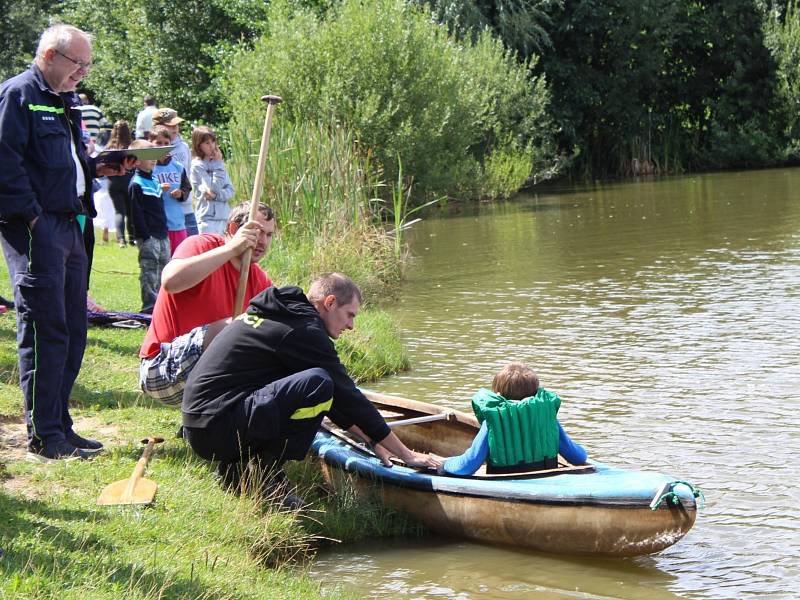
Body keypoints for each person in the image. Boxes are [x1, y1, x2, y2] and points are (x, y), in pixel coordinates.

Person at [181, 272, 443, 505]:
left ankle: (235, 471)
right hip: (216, 429)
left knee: (318, 384)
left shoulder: (285, 314)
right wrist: (407, 455)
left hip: (207, 426)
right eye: (349, 315)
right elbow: (346, 395)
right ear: (329, 303)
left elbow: (338, 401)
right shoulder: (303, 330)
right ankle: (264, 475)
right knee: (317, 383)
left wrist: (373, 439)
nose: (351, 326)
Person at [0, 24, 131, 461]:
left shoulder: (66, 100)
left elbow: (71, 162)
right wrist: (34, 218)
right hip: (37, 228)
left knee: (75, 328)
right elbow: (6, 164)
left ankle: (61, 425)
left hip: (74, 223)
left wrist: (105, 167)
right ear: (50, 55)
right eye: (79, 63)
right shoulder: (18, 95)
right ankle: (43, 435)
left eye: (88, 65)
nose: (83, 73)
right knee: (44, 327)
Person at [139, 201, 275, 406]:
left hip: (211, 378)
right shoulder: (200, 245)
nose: (263, 241)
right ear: (232, 229)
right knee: (233, 328)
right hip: (162, 369)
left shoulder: (259, 281)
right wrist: (231, 249)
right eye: (257, 231)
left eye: (269, 234)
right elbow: (170, 281)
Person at [443, 363, 587, 475]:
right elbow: (578, 457)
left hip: (506, 481)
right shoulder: (547, 418)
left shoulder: (494, 420)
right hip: (547, 477)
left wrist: (445, 464)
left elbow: (468, 465)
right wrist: (584, 451)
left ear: (498, 395)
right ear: (535, 393)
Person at [127, 139, 170, 314]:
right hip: (149, 236)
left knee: (163, 270)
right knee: (150, 272)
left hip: (162, 234)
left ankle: (161, 306)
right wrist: (144, 236)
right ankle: (149, 308)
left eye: (154, 155)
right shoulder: (136, 183)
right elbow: (136, 214)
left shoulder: (153, 180)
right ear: (136, 160)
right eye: (148, 156)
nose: (153, 159)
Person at [151, 108, 198, 236]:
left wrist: (183, 193)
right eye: (169, 125)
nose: (174, 128)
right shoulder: (152, 150)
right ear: (158, 127)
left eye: (176, 124)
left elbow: (186, 173)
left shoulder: (184, 146)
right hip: (164, 209)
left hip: (186, 206)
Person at [151, 126, 190, 255]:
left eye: (166, 143)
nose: (163, 146)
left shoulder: (177, 167)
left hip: (177, 223)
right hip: (156, 224)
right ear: (151, 143)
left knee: (179, 259)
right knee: (160, 262)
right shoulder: (148, 167)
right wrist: (158, 189)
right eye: (159, 143)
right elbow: (139, 191)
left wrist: (181, 193)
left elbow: (187, 188)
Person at [190, 125, 234, 234]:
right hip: (207, 219)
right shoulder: (197, 166)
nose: (212, 146)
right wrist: (218, 164)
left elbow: (230, 190)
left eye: (213, 141)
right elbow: (213, 188)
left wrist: (216, 196)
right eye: (207, 143)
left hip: (224, 217)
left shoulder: (218, 163)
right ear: (198, 146)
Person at [104, 120, 134, 247]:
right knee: (130, 212)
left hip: (113, 183)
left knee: (119, 211)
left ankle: (121, 239)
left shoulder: (109, 148)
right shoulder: (131, 147)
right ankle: (132, 238)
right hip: (128, 181)